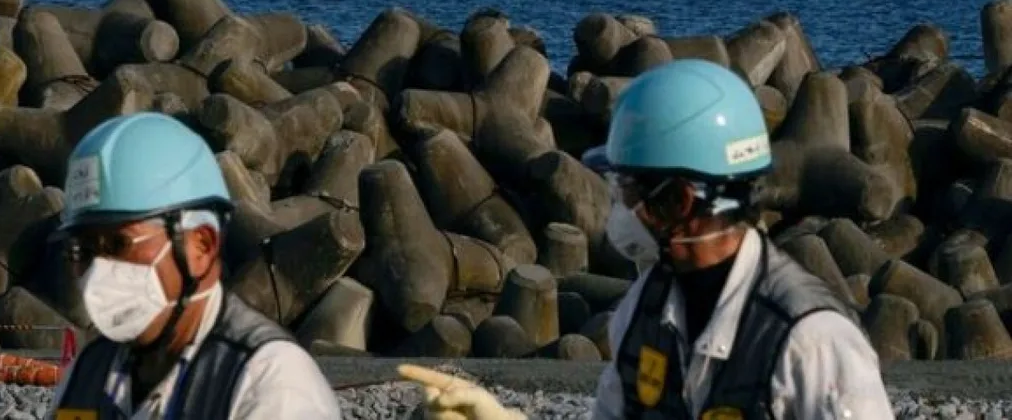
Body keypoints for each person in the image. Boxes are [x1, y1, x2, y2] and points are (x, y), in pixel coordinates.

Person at [400, 59, 895, 420]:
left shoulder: (809, 342)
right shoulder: (645, 308)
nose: (615, 203)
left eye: (627, 186)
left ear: (677, 200)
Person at [46, 111, 341, 420]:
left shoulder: (267, 380)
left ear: (202, 245)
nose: (98, 272)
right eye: (82, 251)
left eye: (119, 244)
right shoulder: (88, 372)